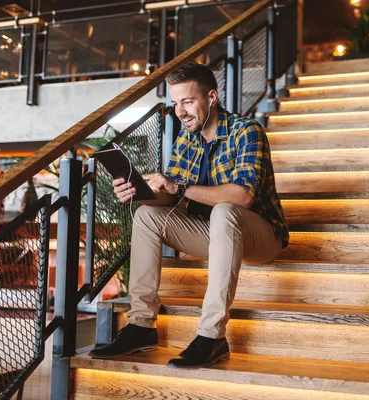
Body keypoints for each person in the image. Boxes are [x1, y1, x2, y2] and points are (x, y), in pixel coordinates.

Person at [89, 63, 289, 368]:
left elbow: (243, 196)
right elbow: (171, 194)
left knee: (225, 210)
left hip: (261, 236)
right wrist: (138, 188)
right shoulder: (186, 140)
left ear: (212, 97)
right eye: (174, 103)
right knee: (146, 215)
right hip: (213, 234)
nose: (180, 111)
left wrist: (179, 186)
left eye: (187, 101)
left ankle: (212, 336)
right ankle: (141, 326)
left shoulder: (246, 131)